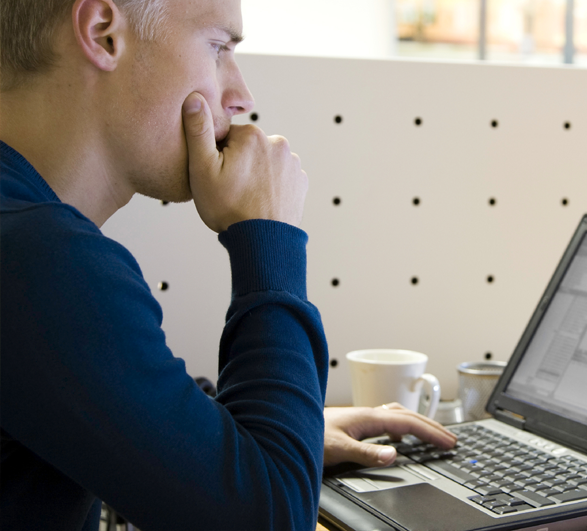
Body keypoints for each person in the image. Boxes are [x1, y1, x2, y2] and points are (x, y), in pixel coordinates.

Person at [0, 0, 456, 529]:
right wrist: (268, 236)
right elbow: (272, 520)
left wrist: (273, 435)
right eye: (218, 48)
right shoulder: (40, 259)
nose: (241, 97)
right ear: (103, 34)